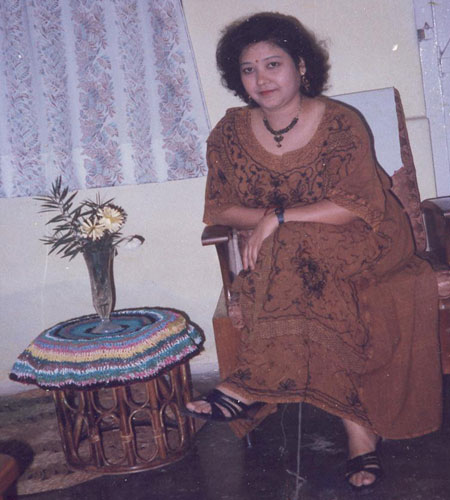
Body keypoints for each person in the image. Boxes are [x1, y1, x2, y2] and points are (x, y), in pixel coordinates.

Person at [184, 12, 442, 492]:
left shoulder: (340, 123)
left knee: (290, 239)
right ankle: (360, 439)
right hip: (297, 255)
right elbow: (220, 207)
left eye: (273, 64)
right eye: (248, 69)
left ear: (301, 66)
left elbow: (358, 205)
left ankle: (247, 384)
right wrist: (277, 219)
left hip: (369, 237)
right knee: (301, 257)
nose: (261, 79)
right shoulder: (228, 133)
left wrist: (277, 217)